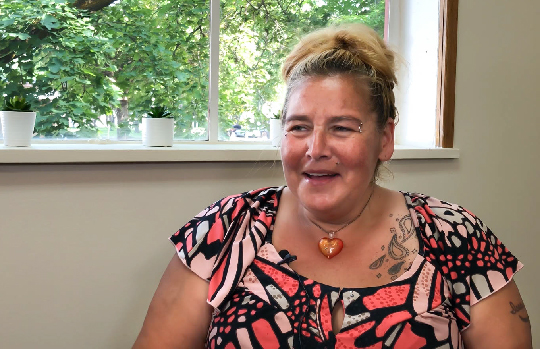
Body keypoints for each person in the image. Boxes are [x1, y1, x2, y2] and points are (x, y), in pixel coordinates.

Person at [134, 24, 532, 348]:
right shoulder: (226, 229)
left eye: (342, 128)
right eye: (299, 127)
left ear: (385, 139)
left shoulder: (456, 236)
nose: (316, 149)